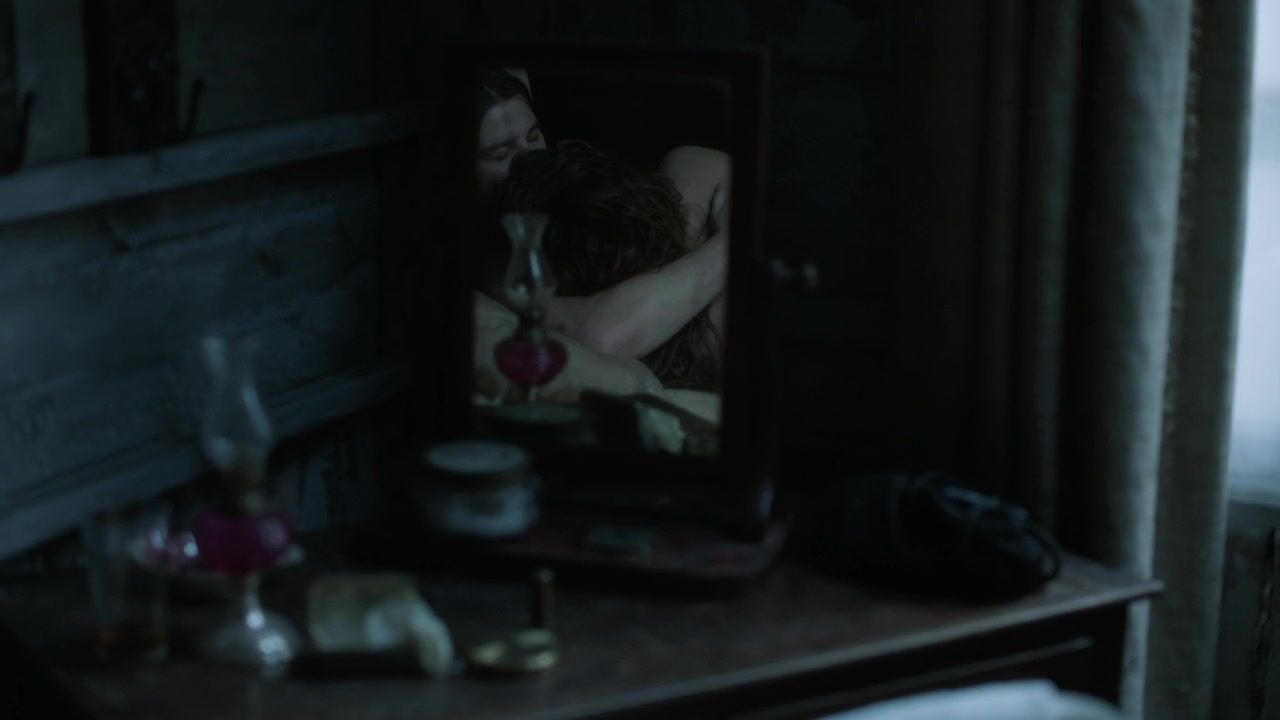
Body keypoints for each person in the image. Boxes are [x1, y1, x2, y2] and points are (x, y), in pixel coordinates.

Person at [472, 70, 730, 370]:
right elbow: (601, 336)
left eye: (533, 136)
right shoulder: (491, 259)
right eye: (500, 154)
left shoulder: (578, 187)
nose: (530, 157)